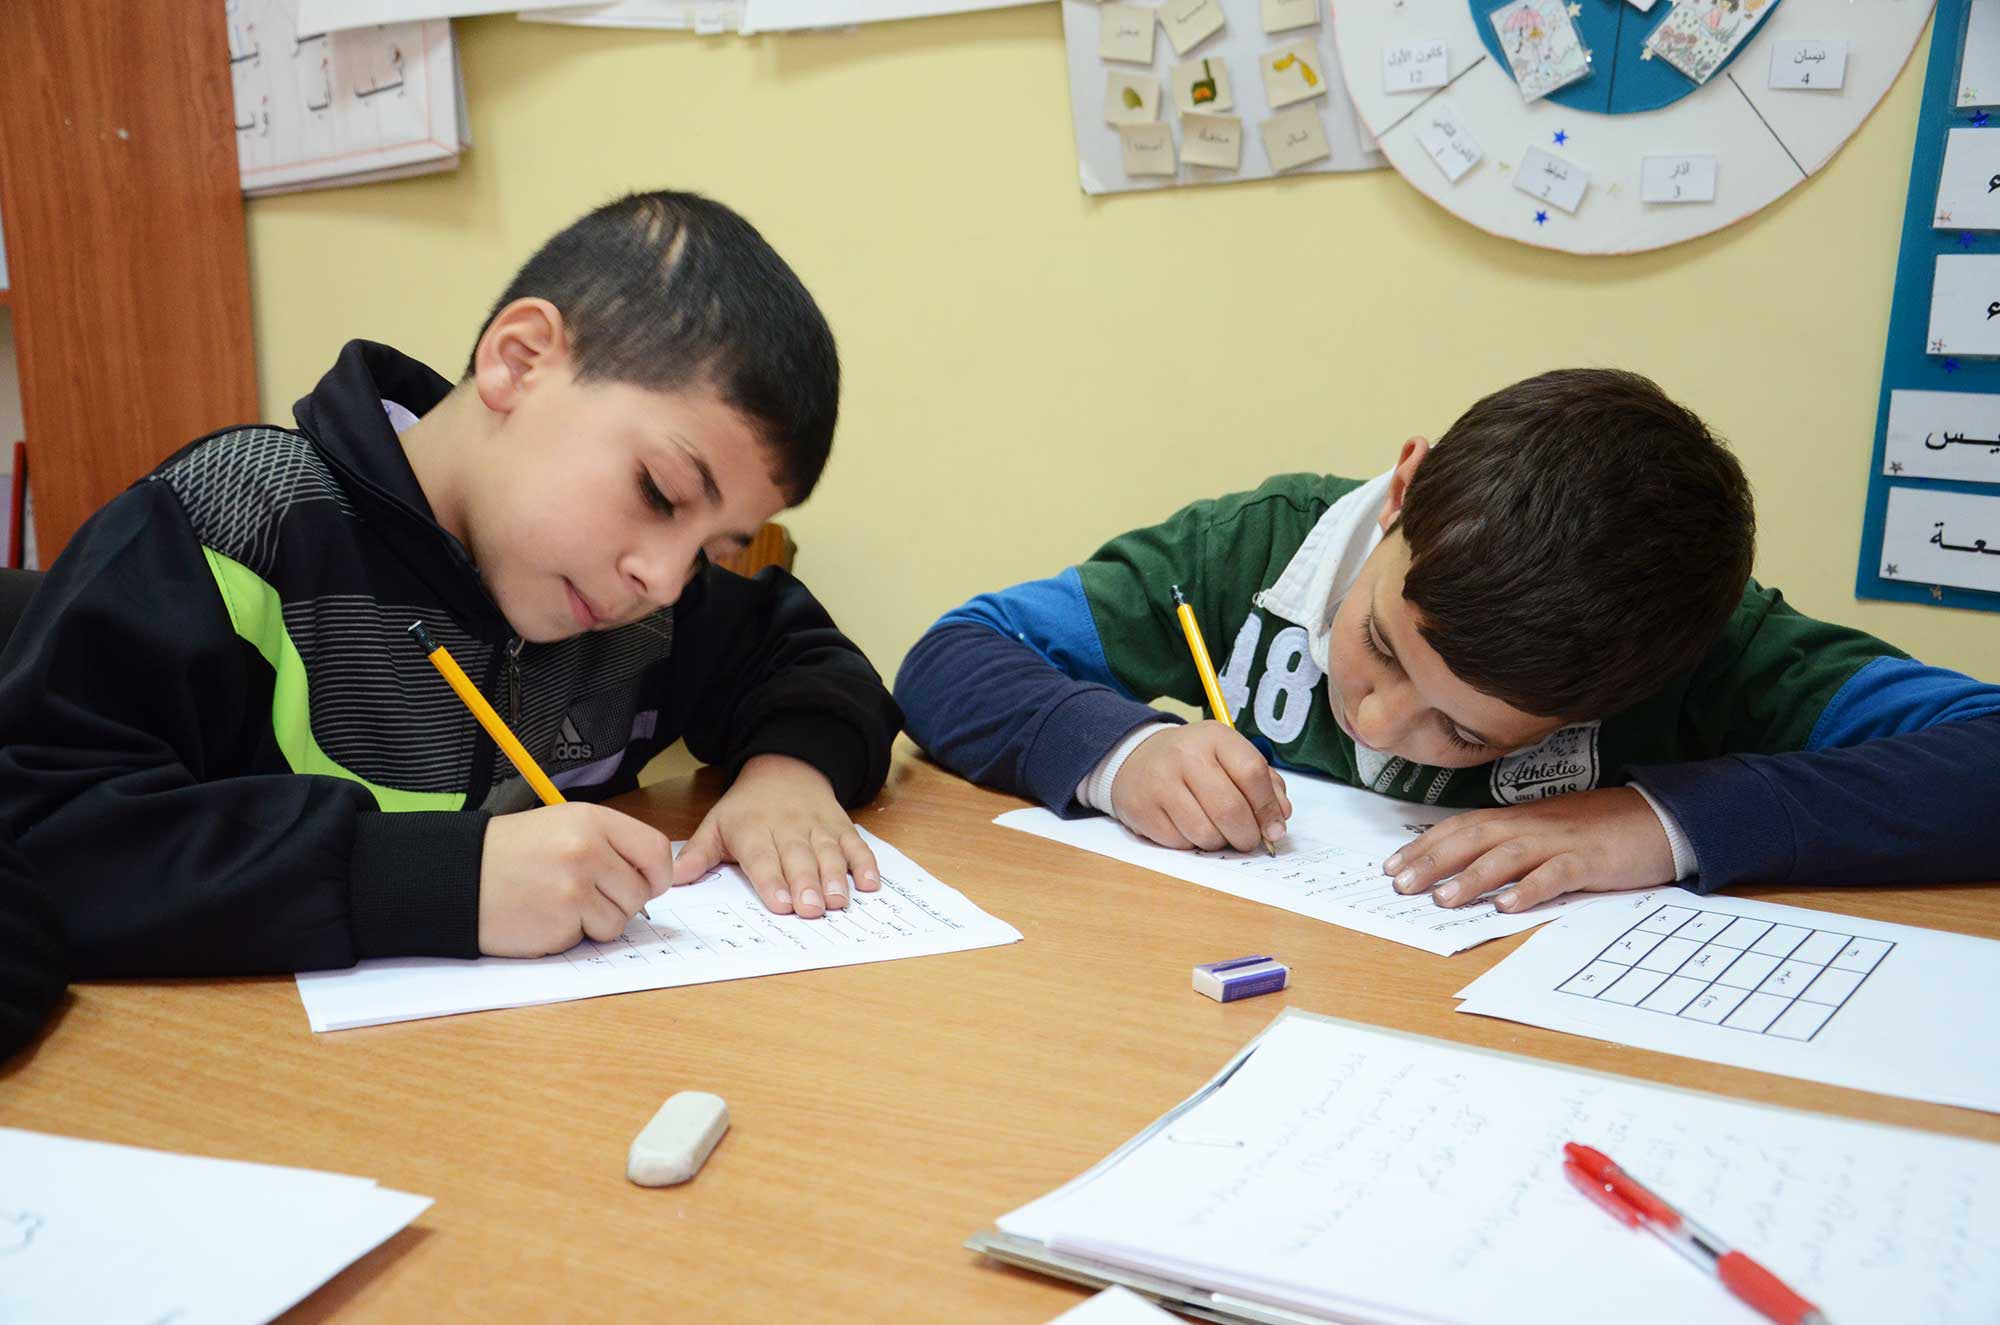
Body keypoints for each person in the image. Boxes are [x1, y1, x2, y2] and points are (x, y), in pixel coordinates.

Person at [0, 189, 901, 981]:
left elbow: (804, 657)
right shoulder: (234, 525)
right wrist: (436, 880)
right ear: (518, 360)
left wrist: (788, 773)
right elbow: (44, 838)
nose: (665, 579)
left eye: (712, 549)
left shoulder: (633, 602)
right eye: (660, 492)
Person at [896, 369, 2000, 908]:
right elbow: (953, 653)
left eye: (1465, 734)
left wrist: (1660, 819)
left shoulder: (1708, 651)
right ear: (1402, 490)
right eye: (1377, 642)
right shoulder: (1263, 545)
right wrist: (1120, 750)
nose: (1375, 719)